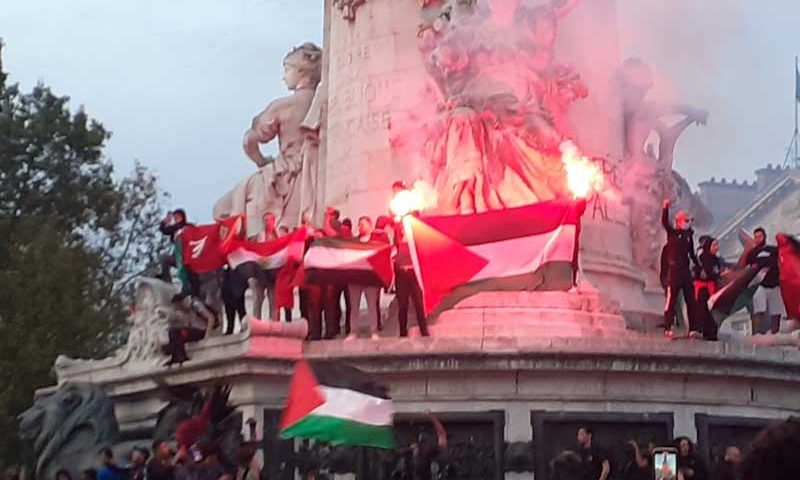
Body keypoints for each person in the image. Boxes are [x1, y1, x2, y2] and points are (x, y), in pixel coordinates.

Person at [661, 199, 699, 338]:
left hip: (685, 271)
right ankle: (667, 327)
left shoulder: (688, 236)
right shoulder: (672, 233)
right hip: (675, 271)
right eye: (685, 220)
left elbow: (691, 253)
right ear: (678, 221)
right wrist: (665, 208)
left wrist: (698, 266)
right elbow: (665, 223)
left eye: (688, 220)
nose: (687, 223)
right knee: (672, 299)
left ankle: (693, 328)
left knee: (691, 299)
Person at [346, 216, 385, 340]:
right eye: (359, 224)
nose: (360, 226)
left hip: (371, 279)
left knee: (372, 306)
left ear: (370, 225)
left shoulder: (376, 240)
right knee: (354, 307)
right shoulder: (353, 242)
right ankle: (353, 331)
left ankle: (374, 331)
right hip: (355, 278)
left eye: (362, 224)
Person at [747, 227, 785, 334]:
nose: (758, 239)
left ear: (764, 236)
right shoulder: (752, 254)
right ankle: (756, 334)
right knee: (759, 310)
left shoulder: (773, 250)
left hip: (775, 284)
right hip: (760, 285)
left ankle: (775, 333)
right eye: (756, 237)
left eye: (760, 236)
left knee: (776, 311)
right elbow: (748, 267)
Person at [693, 236, 723, 340]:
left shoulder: (716, 259)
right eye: (714, 245)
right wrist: (720, 274)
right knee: (701, 309)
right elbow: (710, 272)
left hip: (711, 288)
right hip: (703, 289)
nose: (717, 247)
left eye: (717, 245)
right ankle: (697, 329)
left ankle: (710, 332)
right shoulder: (704, 258)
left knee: (709, 311)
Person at [158, 209, 192, 287]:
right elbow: (165, 230)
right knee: (164, 258)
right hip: (177, 257)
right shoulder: (175, 229)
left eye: (177, 217)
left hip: (188, 257)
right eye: (175, 218)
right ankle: (167, 281)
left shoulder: (187, 226)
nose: (175, 220)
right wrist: (165, 221)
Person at [410, 411, 448, 480]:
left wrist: (432, 417)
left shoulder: (419, 450)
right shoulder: (430, 450)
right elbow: (441, 433)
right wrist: (432, 417)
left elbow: (441, 433)